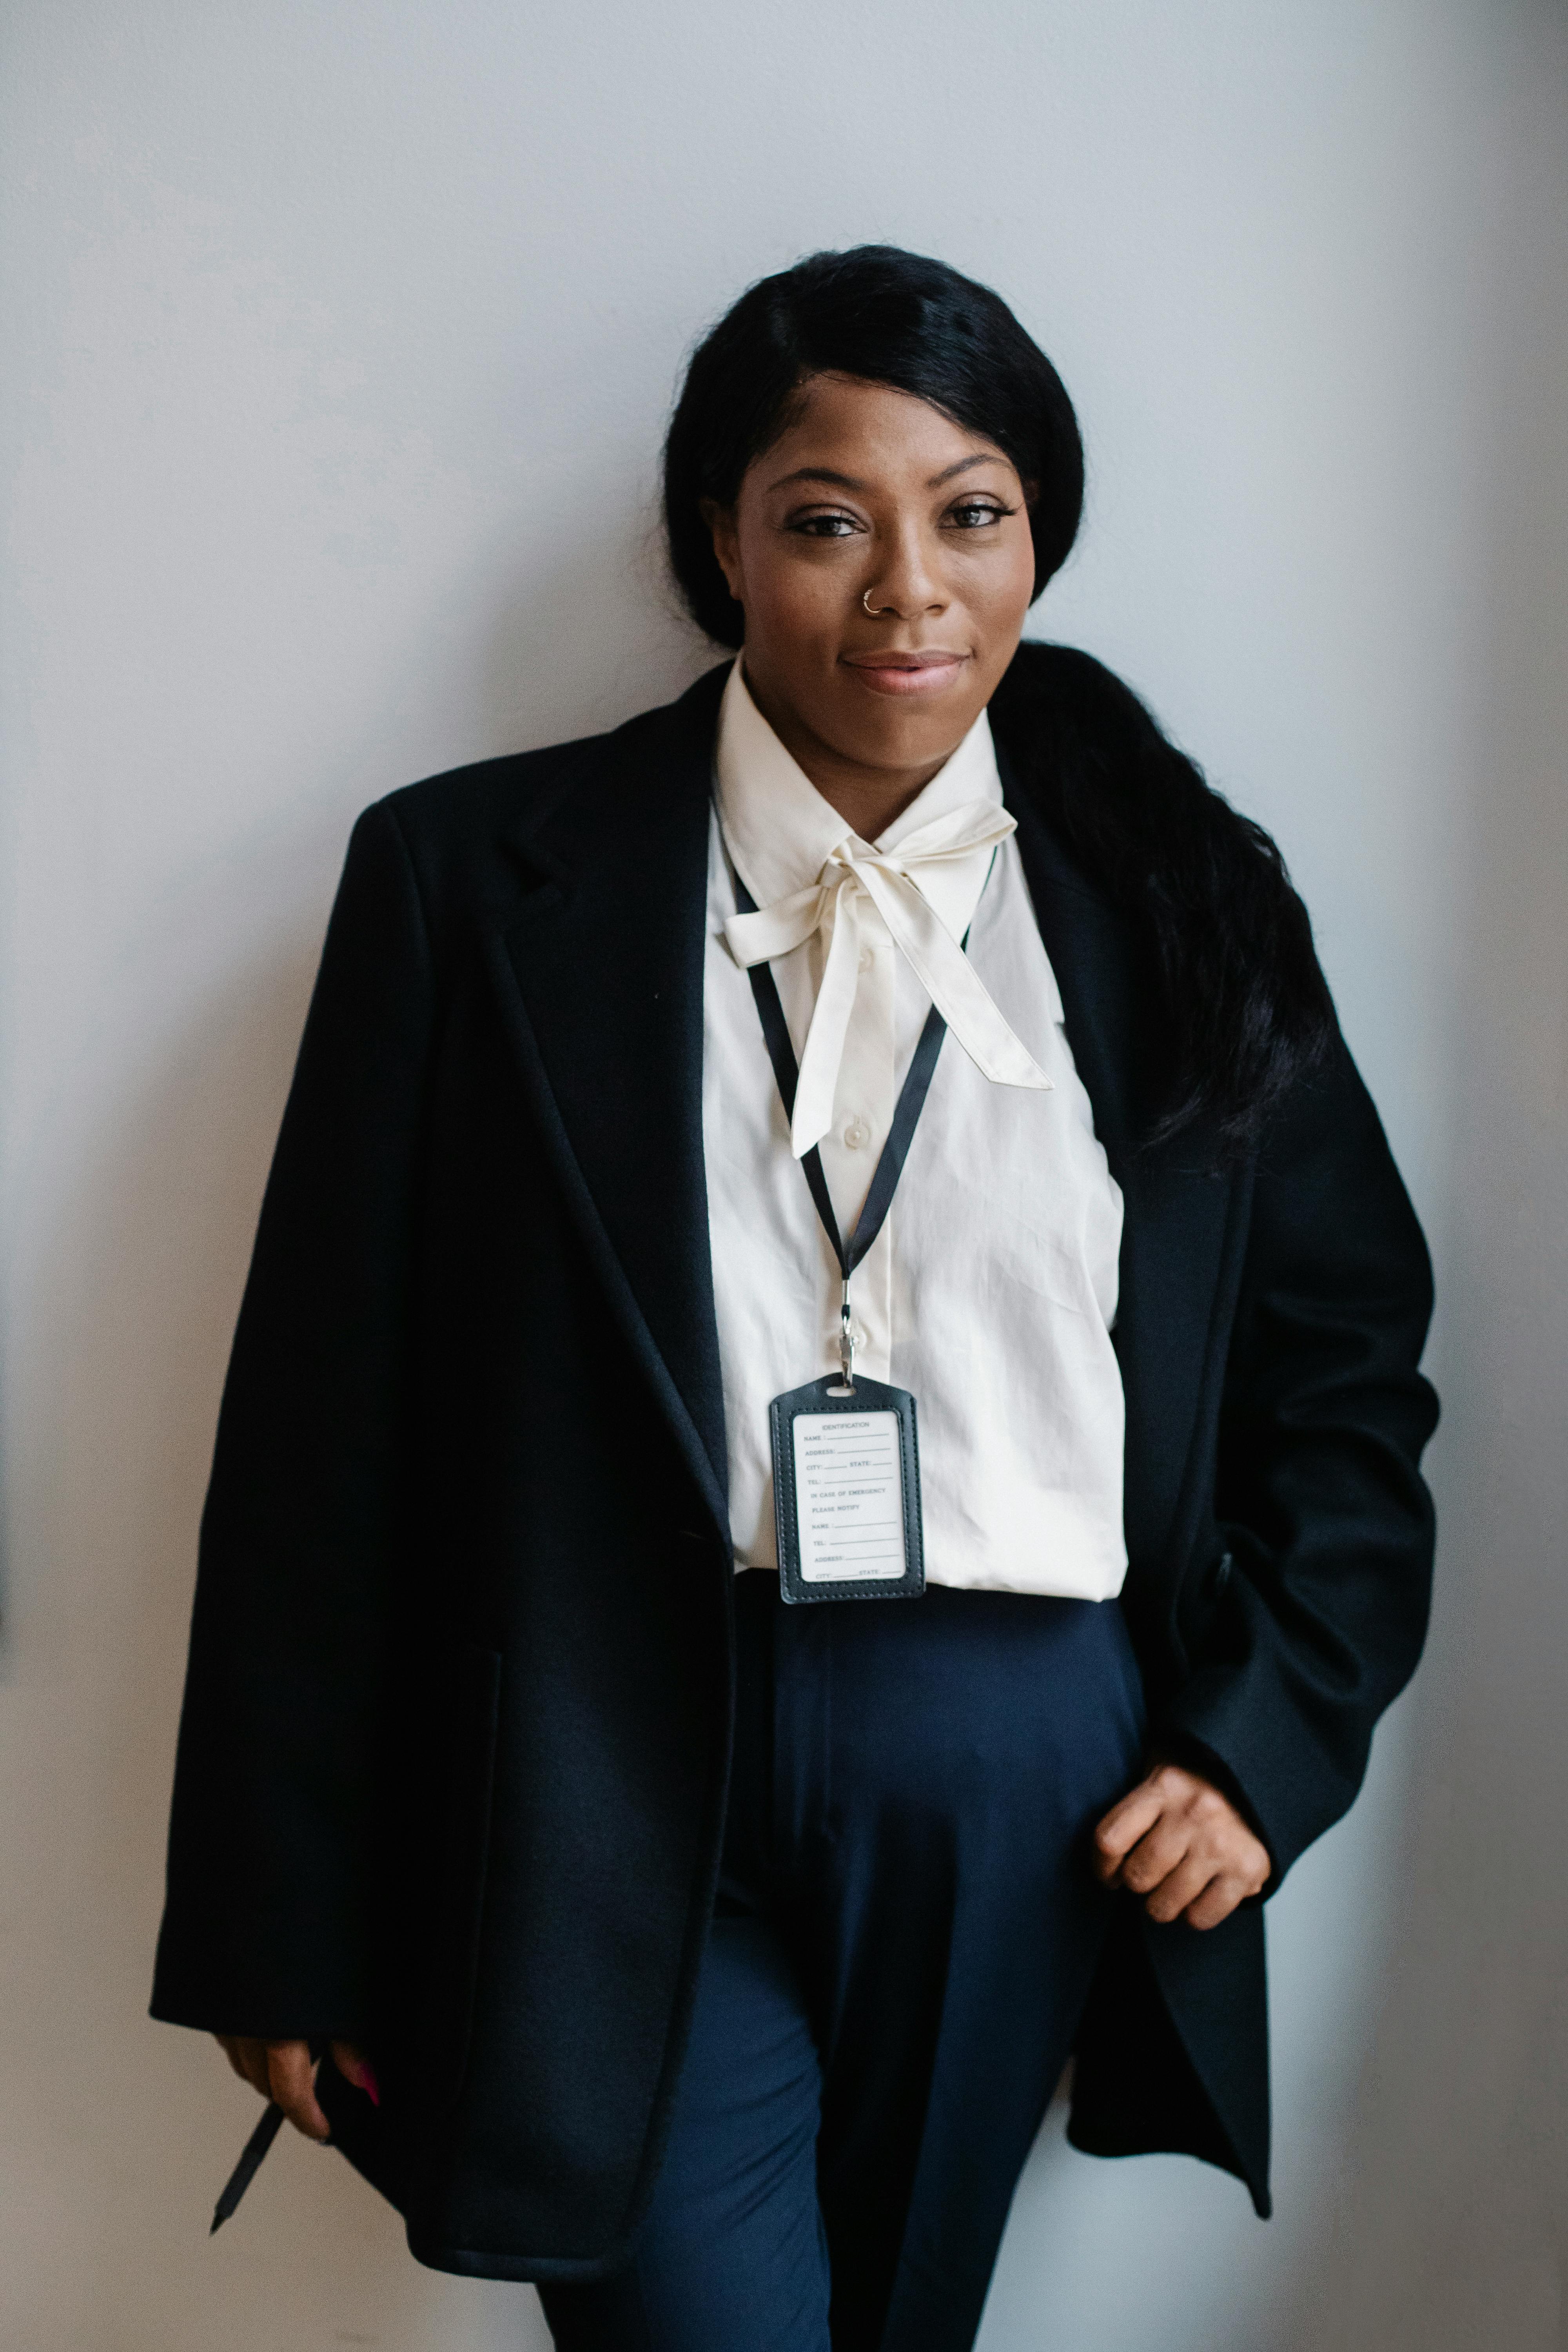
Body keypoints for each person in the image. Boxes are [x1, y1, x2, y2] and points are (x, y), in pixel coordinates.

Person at [151, 246, 1438, 2351]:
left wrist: (1266, 1737)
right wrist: (280, 1917)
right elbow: (325, 1430)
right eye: (829, 518)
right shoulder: (473, 887)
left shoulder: (1183, 896)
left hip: (1036, 1772)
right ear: (719, 546)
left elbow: (1343, 1373)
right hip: (600, 1751)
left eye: (975, 512)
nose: (908, 589)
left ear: (1042, 536)